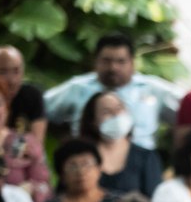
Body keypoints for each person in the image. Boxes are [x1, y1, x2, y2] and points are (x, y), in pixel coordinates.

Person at [44, 33, 182, 150]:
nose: (113, 68)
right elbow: (41, 109)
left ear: (132, 63)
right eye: (106, 61)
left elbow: (188, 111)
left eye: (121, 61)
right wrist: (65, 137)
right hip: (89, 162)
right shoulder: (78, 88)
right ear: (96, 61)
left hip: (141, 163)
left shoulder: (152, 89)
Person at [79, 90, 164, 196]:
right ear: (93, 121)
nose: (116, 114)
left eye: (119, 108)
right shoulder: (80, 156)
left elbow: (155, 199)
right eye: (106, 111)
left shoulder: (147, 157)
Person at [0, 46, 47, 144]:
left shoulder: (32, 96)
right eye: (2, 72)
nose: (12, 81)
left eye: (16, 71)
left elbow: (37, 144)